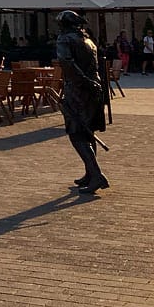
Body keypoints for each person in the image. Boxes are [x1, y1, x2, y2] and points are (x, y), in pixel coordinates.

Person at [55, 10, 108, 193]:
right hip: (94, 89)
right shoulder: (88, 40)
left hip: (78, 90)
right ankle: (90, 173)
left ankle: (96, 175)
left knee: (76, 133)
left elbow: (67, 63)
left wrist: (83, 82)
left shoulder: (65, 40)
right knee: (88, 132)